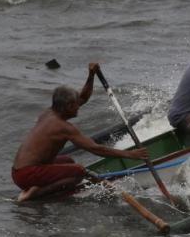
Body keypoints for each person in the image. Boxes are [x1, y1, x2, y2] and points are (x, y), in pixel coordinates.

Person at [12, 63, 148, 202]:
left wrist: (91, 75)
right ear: (69, 106)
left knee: (68, 161)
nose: (79, 106)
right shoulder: (63, 127)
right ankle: (36, 193)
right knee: (78, 172)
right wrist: (129, 154)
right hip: (26, 174)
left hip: (19, 172)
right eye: (76, 104)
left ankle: (40, 186)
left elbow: (83, 97)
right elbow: (96, 149)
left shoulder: (49, 113)